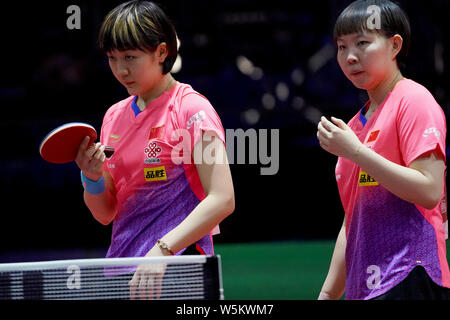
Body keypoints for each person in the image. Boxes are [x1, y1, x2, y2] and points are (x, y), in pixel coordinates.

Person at [75, 0, 234, 299]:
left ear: (161, 52)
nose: (121, 69)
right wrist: (91, 176)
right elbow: (105, 213)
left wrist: (162, 250)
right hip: (124, 269)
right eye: (112, 58)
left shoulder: (192, 109)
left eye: (131, 57)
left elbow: (223, 198)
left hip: (179, 265)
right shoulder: (113, 116)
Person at [317, 0, 450, 300]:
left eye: (362, 43)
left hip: (410, 276)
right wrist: (327, 293)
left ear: (394, 45)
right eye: (341, 47)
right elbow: (352, 220)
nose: (350, 57)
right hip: (365, 288)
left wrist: (356, 152)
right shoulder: (354, 125)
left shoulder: (414, 101)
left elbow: (430, 189)